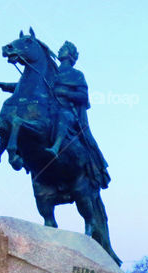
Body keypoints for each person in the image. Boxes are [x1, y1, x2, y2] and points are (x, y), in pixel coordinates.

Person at [46, 41, 110, 190]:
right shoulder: (51, 72)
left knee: (63, 116)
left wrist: (65, 93)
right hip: (49, 110)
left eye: (64, 49)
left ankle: (56, 147)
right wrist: (2, 85)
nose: (60, 50)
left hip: (68, 112)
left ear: (70, 55)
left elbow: (83, 96)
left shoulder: (76, 75)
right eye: (60, 48)